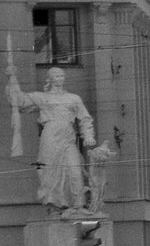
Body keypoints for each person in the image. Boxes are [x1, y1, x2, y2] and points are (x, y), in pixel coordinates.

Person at [6, 66, 96, 215]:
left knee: (74, 171)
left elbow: (85, 118)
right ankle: (55, 206)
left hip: (67, 138)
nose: (60, 79)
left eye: (62, 76)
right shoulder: (42, 97)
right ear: (50, 79)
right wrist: (11, 79)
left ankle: (78, 205)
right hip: (50, 137)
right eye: (56, 76)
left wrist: (88, 135)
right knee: (50, 171)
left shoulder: (73, 98)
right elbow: (19, 101)